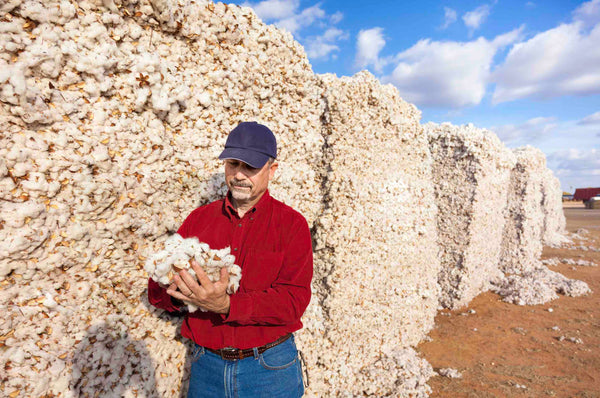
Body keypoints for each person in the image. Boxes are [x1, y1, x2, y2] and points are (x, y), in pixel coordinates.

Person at [148, 121, 313, 397]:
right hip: (207, 367)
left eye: (250, 167)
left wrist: (226, 305)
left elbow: (293, 301)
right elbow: (157, 289)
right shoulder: (198, 220)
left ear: (271, 171)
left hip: (269, 369)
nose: (238, 175)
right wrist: (183, 295)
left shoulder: (292, 225)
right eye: (232, 164)